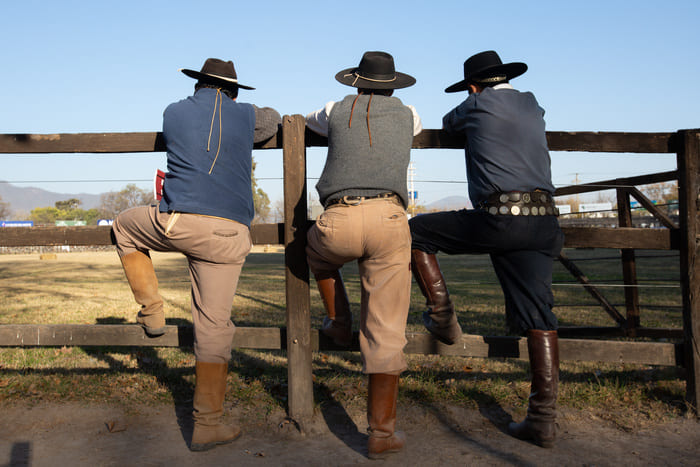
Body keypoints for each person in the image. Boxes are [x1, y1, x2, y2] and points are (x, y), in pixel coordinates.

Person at [111, 58, 281, 452]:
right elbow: (272, 120)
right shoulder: (248, 116)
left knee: (123, 226)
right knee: (214, 325)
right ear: (233, 92)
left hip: (178, 223)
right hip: (227, 232)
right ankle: (207, 424)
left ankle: (152, 310)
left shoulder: (173, 112)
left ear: (198, 85)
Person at [408, 50, 564, 448]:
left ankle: (442, 316)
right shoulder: (533, 103)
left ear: (473, 86)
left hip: (498, 218)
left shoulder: (474, 105)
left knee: (416, 232)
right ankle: (542, 420)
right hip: (544, 220)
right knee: (538, 312)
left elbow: (448, 123)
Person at [305, 51, 422, 459]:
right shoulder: (409, 113)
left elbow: (308, 122)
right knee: (387, 328)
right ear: (393, 83)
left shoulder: (334, 109)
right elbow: (413, 126)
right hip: (390, 218)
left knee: (315, 256)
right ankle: (381, 432)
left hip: (338, 216)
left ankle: (338, 321)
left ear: (355, 81)